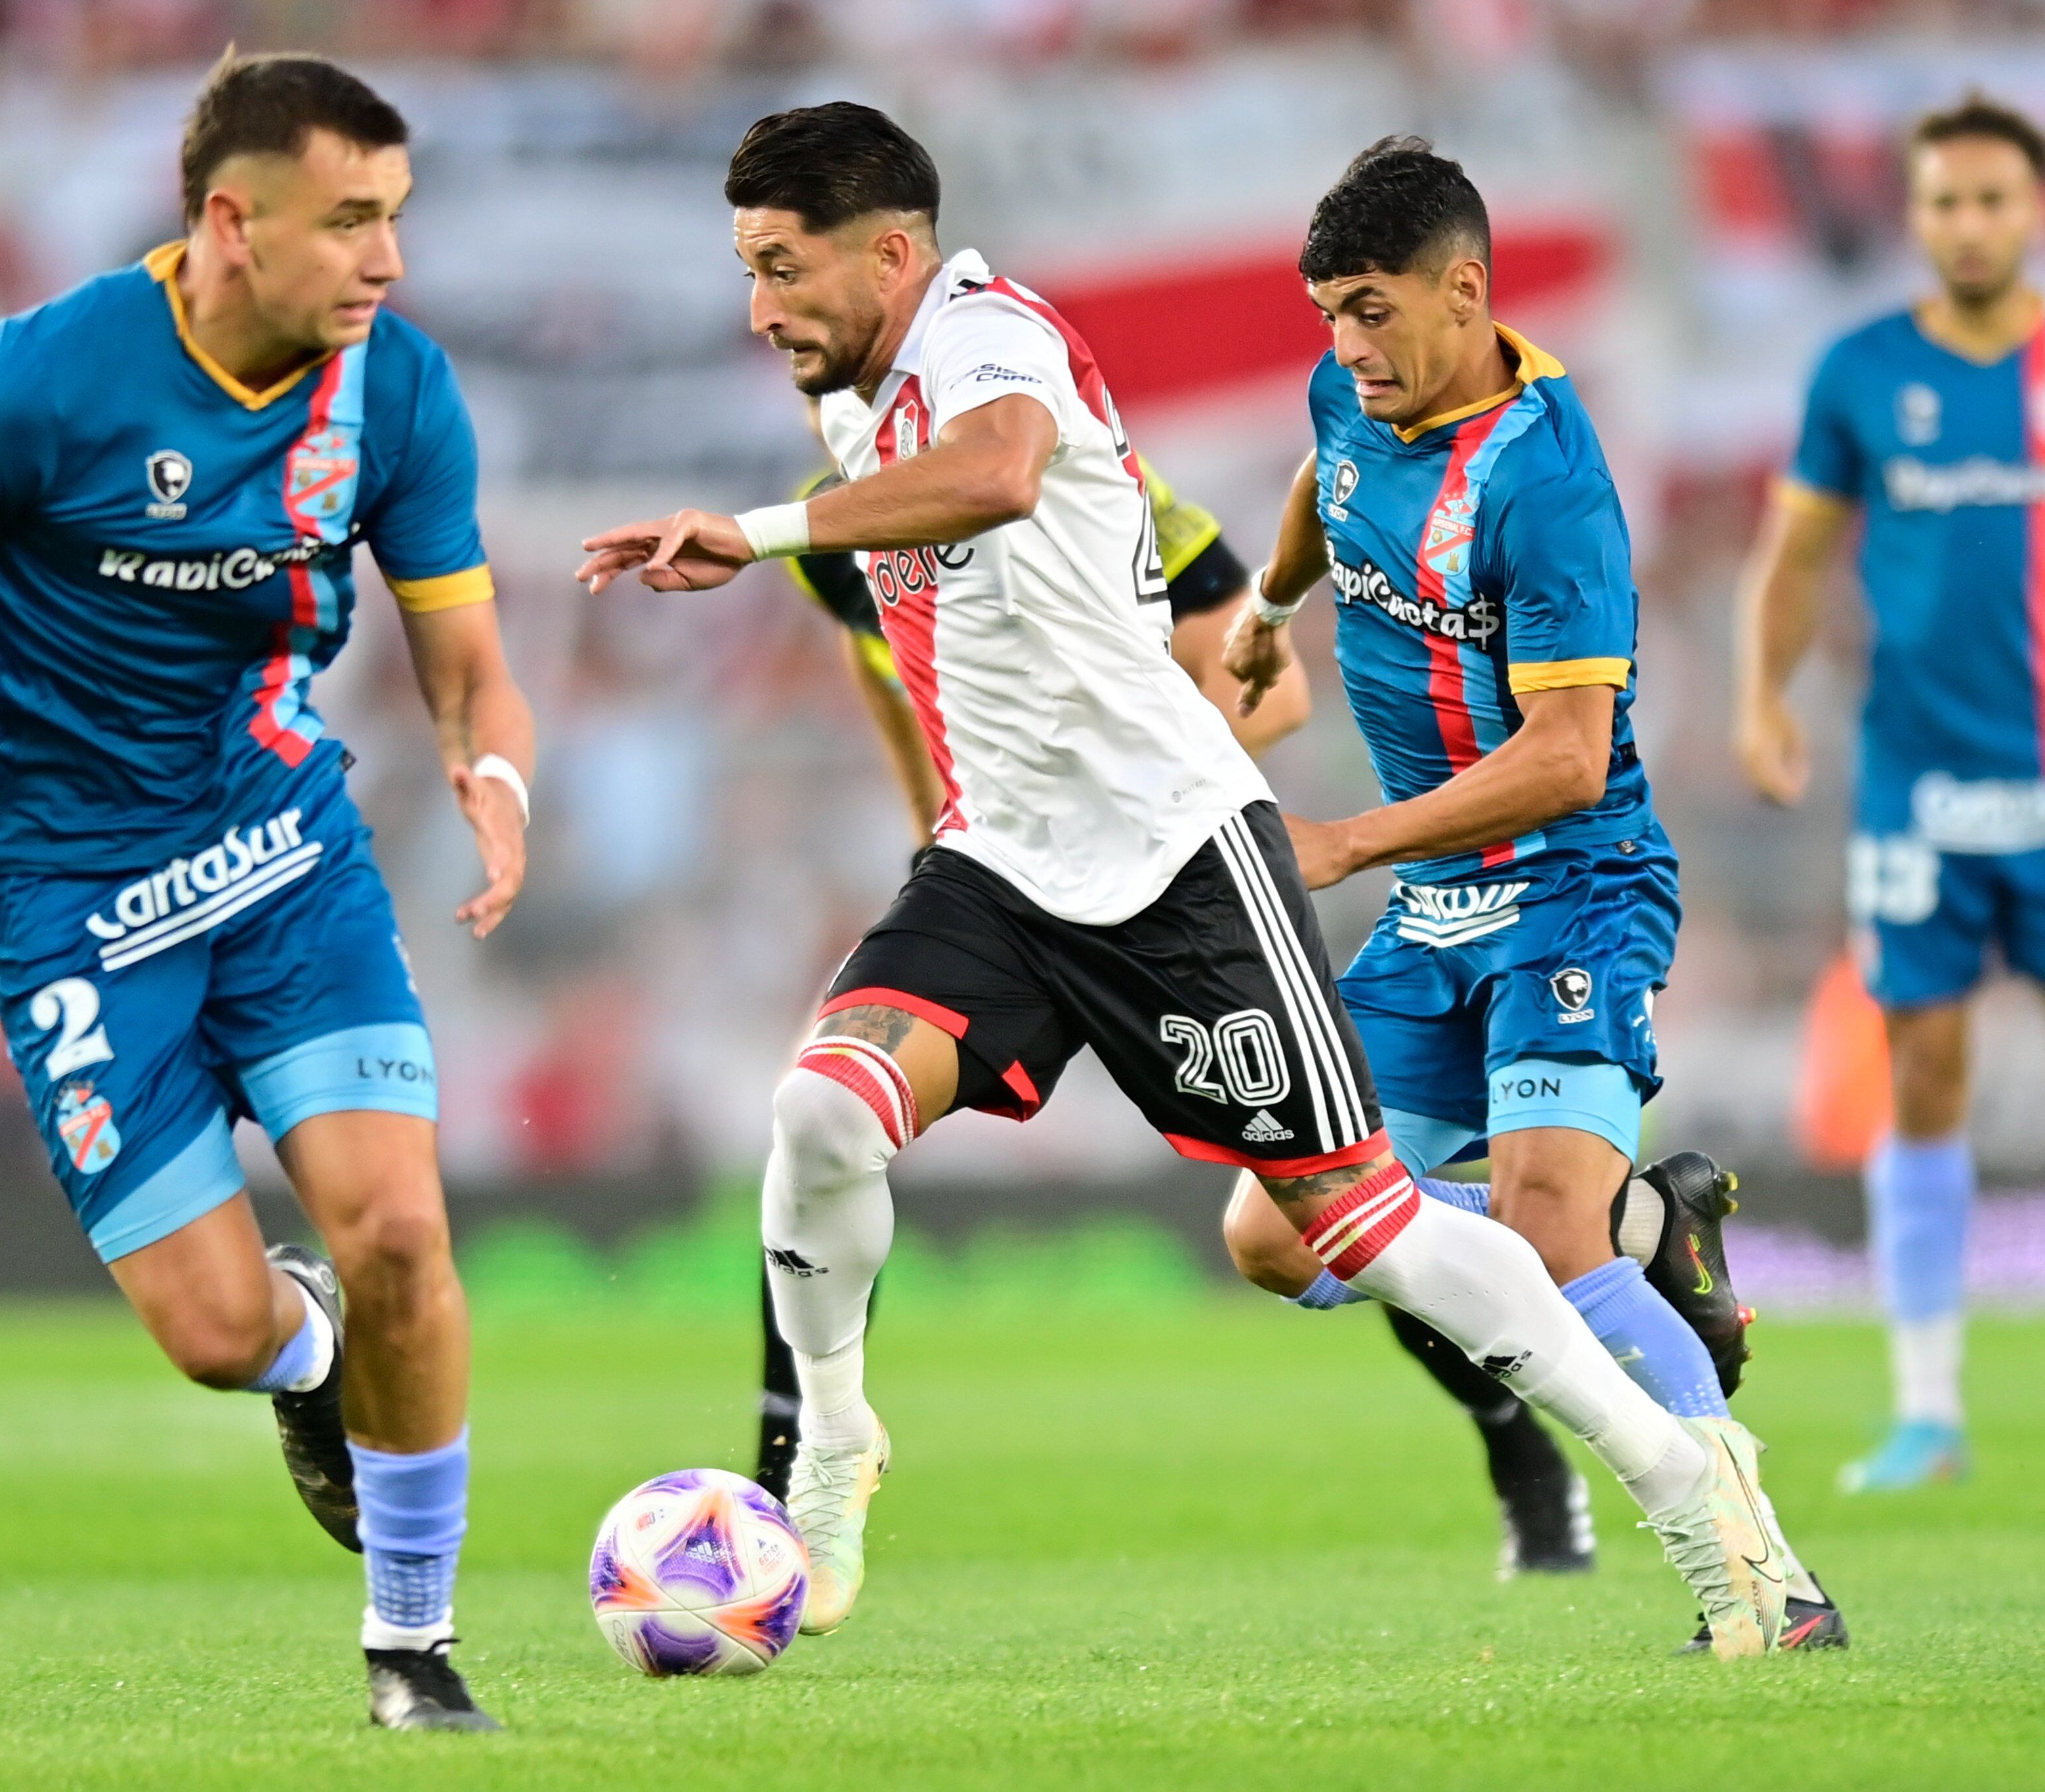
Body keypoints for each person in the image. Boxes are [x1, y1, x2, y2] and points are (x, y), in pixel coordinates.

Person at [578, 100, 1789, 1659]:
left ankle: (1694, 1505)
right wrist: (1268, 600)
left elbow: (1005, 471)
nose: (759, 308)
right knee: (817, 1109)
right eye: (746, 272)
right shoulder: (853, 400)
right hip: (1003, 857)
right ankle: (829, 1448)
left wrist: (750, 537)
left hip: (1175, 857)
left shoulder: (987, 339)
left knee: (1355, 1231)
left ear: (891, 253)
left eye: (781, 266)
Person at [0, 54, 532, 1729]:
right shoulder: (48, 381)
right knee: (208, 1329)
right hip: (65, 893)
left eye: (395, 220)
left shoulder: (392, 392)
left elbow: (464, 654)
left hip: (280, 854)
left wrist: (493, 769)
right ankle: (303, 1361)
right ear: (227, 224)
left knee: (400, 1225)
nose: (387, 261)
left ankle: (413, 1642)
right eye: (349, 224)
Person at [764, 458, 1656, 1580]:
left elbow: (1273, 693)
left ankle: (1525, 1445)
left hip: (1172, 884)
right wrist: (943, 857)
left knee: (1332, 1201)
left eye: (794, 274)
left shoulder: (1070, 468)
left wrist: (1139, 806)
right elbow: (899, 682)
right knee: (826, 1115)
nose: (786, 333)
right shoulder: (828, 525)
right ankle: (792, 1475)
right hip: (1004, 885)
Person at [1221, 136, 1844, 1650]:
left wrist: (1351, 841)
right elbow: (1325, 473)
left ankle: (1764, 1577)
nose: (1345, 347)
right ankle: (1647, 1231)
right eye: (1327, 314)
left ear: (1465, 293)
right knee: (1267, 1233)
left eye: (1371, 311)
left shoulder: (1551, 489)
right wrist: (1262, 607)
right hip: (1429, 907)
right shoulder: (1350, 391)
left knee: (1539, 1231)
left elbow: (1567, 759)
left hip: (1569, 886)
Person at [1733, 93, 2045, 1490]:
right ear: (1912, 210)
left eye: (1990, 200)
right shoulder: (1859, 373)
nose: (1965, 224)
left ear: (2035, 208)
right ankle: (1926, 1409)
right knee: (1922, 1079)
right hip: (1913, 790)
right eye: (1941, 200)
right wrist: (1760, 696)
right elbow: (1793, 551)